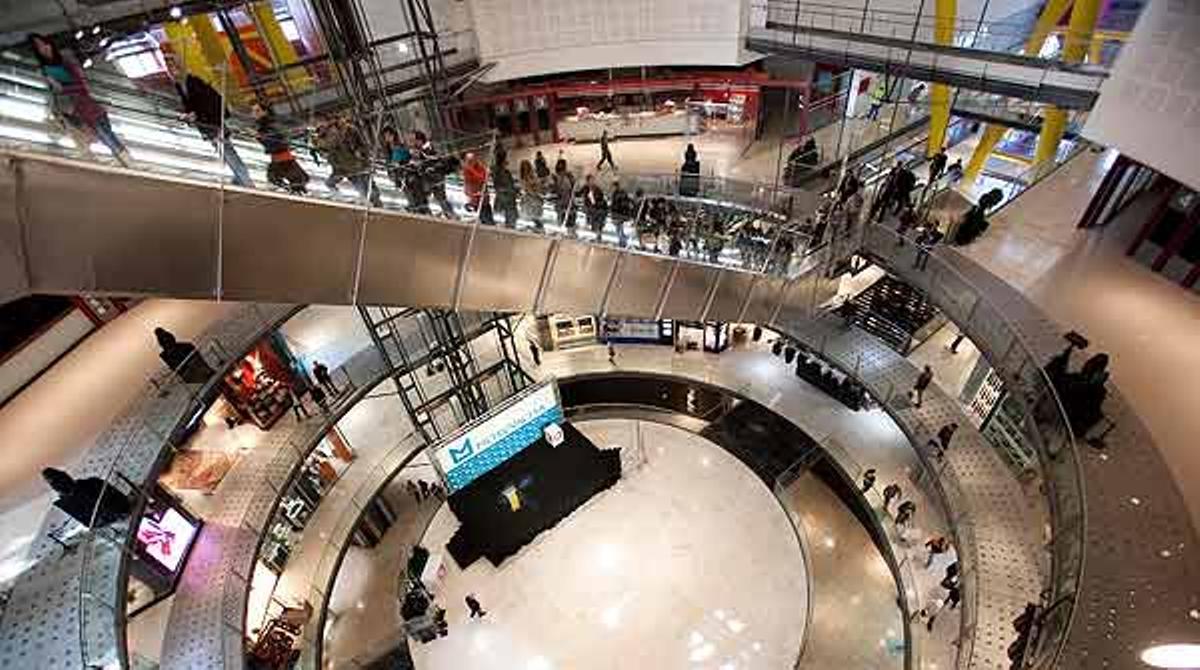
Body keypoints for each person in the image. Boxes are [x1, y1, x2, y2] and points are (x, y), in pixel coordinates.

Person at [29, 34, 131, 166]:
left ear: (49, 44)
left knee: (104, 132)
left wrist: (63, 86)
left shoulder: (65, 58)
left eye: (44, 44)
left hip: (84, 104)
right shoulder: (45, 70)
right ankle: (96, 162)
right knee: (83, 135)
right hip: (70, 108)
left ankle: (125, 160)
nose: (43, 48)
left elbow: (80, 81)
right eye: (39, 47)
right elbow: (54, 92)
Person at [166, 51, 252, 187]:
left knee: (227, 151)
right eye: (169, 68)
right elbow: (191, 106)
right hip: (205, 124)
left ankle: (245, 179)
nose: (172, 70)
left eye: (174, 66)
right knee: (224, 151)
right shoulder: (180, 85)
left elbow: (208, 104)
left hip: (213, 123)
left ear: (180, 67)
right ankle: (240, 176)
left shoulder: (193, 82)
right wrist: (188, 115)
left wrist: (196, 115)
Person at [314, 115, 381, 206]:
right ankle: (371, 203)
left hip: (358, 165)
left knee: (368, 188)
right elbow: (329, 154)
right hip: (346, 168)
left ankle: (375, 203)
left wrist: (362, 154)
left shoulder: (347, 131)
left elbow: (361, 145)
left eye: (322, 124)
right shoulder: (322, 139)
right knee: (362, 188)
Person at [42, 467, 131, 527]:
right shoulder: (93, 481)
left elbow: (89, 523)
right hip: (123, 508)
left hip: (116, 516)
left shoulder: (68, 503)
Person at [252, 103, 308, 194]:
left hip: (282, 157)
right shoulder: (264, 123)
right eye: (253, 111)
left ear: (265, 112)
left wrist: (260, 137)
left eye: (257, 111)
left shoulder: (268, 124)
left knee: (280, 179)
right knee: (290, 180)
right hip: (279, 157)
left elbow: (277, 140)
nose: (254, 114)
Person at [413, 131, 456, 219]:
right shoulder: (423, 149)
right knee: (435, 197)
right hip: (430, 178)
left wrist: (421, 162)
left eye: (415, 140)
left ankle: (451, 215)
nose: (414, 143)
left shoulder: (428, 148)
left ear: (420, 140)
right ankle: (448, 214)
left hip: (436, 177)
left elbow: (435, 159)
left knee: (440, 197)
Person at [492, 150, 519, 227]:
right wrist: (512, 190)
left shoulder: (503, 171)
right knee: (511, 220)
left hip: (508, 199)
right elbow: (499, 187)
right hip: (507, 200)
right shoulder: (499, 172)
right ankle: (510, 228)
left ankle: (510, 226)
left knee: (511, 218)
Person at [579, 174, 608, 239]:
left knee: (596, 218)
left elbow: (601, 197)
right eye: (591, 180)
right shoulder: (585, 188)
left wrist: (595, 201)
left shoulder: (596, 188)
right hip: (590, 208)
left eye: (593, 180)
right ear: (588, 181)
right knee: (595, 218)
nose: (592, 181)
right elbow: (579, 194)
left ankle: (597, 233)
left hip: (595, 208)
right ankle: (597, 232)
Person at [519, 158, 545, 226]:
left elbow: (537, 185)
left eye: (527, 167)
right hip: (530, 201)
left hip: (535, 200)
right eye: (524, 168)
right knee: (532, 218)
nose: (526, 169)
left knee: (536, 219)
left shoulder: (533, 175)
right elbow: (527, 188)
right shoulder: (523, 178)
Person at [610, 180, 634, 247]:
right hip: (622, 214)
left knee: (619, 228)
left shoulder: (616, 194)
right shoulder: (622, 192)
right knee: (619, 228)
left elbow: (615, 204)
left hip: (618, 214)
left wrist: (612, 212)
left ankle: (623, 240)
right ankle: (623, 239)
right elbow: (627, 200)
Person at [554, 160, 576, 230]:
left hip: (568, 203)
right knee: (564, 222)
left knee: (569, 222)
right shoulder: (557, 178)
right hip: (564, 204)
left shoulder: (568, 176)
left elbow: (573, 187)